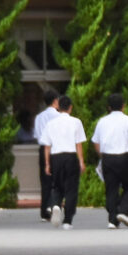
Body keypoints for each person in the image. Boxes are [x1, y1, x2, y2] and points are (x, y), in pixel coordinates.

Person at [93, 93, 128, 229]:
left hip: (108, 157)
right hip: (125, 157)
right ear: (123, 106)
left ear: (108, 107)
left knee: (111, 188)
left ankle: (112, 220)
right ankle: (123, 211)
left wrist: (102, 155)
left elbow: (96, 142)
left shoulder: (102, 121)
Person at [43, 95, 85, 228]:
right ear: (70, 108)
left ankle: (56, 205)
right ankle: (67, 220)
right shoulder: (76, 122)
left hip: (56, 157)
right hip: (71, 156)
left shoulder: (51, 124)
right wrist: (81, 161)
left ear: (58, 107)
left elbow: (47, 146)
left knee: (57, 186)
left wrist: (47, 163)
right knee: (71, 188)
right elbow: (78, 144)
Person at [33, 90, 61, 222]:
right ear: (55, 101)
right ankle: (54, 205)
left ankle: (45, 211)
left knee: (45, 180)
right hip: (56, 149)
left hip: (43, 148)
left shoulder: (39, 117)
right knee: (57, 179)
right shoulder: (59, 117)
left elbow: (38, 136)